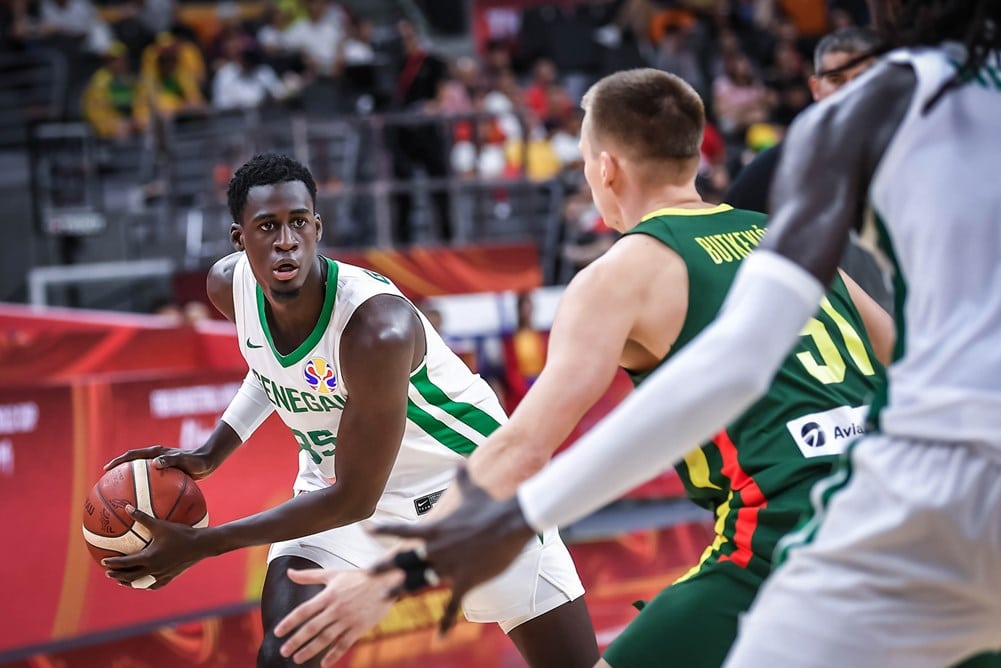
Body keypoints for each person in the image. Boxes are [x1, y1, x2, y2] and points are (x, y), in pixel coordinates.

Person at [369, 2, 1001, 666]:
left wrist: (442, 543)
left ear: (603, 168)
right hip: (932, 490)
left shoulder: (838, 139)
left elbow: (545, 438)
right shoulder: (773, 228)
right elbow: (893, 348)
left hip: (800, 522)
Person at [274, 69, 894, 668]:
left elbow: (520, 447)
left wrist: (386, 574)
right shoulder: (787, 238)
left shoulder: (621, 273)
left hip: (784, 536)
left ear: (606, 168)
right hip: (901, 504)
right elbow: (902, 358)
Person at [101, 153, 597, 668]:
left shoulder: (376, 329)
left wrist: (203, 543)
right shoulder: (229, 287)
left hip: (468, 487)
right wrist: (211, 452)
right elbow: (268, 364)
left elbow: (356, 499)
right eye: (267, 227)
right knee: (286, 654)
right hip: (338, 487)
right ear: (238, 238)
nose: (286, 240)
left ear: (317, 227)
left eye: (298, 223)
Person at [725, 26, 892, 310]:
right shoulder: (775, 168)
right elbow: (732, 237)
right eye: (837, 80)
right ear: (815, 88)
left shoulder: (914, 155)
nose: (850, 92)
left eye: (862, 79)